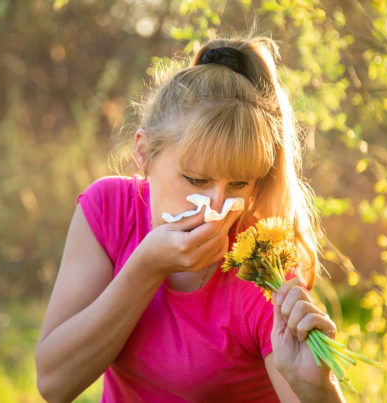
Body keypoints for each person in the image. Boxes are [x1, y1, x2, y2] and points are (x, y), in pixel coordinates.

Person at [35, 34, 345, 402]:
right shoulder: (109, 208)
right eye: (196, 179)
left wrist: (317, 390)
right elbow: (54, 384)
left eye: (238, 184)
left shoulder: (258, 268)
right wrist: (147, 266)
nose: (216, 205)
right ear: (143, 152)